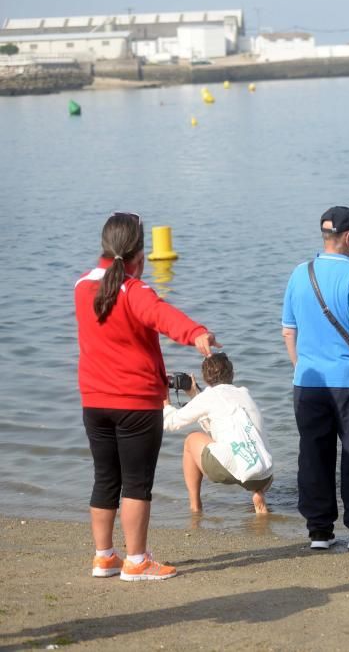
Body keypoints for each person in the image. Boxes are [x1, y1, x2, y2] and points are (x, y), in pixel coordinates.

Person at [75, 212, 220, 582]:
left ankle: (104, 556)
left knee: (105, 479)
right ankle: (137, 560)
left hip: (94, 402)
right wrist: (197, 333)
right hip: (135, 404)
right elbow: (161, 316)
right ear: (139, 254)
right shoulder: (133, 290)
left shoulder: (81, 287)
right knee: (137, 483)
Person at [281, 206, 349, 551]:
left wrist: (303, 367)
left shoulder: (300, 273)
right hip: (348, 383)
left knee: (313, 455)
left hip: (308, 383)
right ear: (347, 236)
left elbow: (288, 331)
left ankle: (319, 531)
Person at [162, 353, 273, 515]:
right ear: (232, 374)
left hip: (231, 470)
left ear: (205, 378)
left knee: (191, 440)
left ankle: (195, 506)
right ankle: (258, 493)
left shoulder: (208, 397)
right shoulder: (244, 393)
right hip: (265, 476)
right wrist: (193, 394)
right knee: (250, 445)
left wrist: (164, 395)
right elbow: (215, 426)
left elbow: (170, 423)